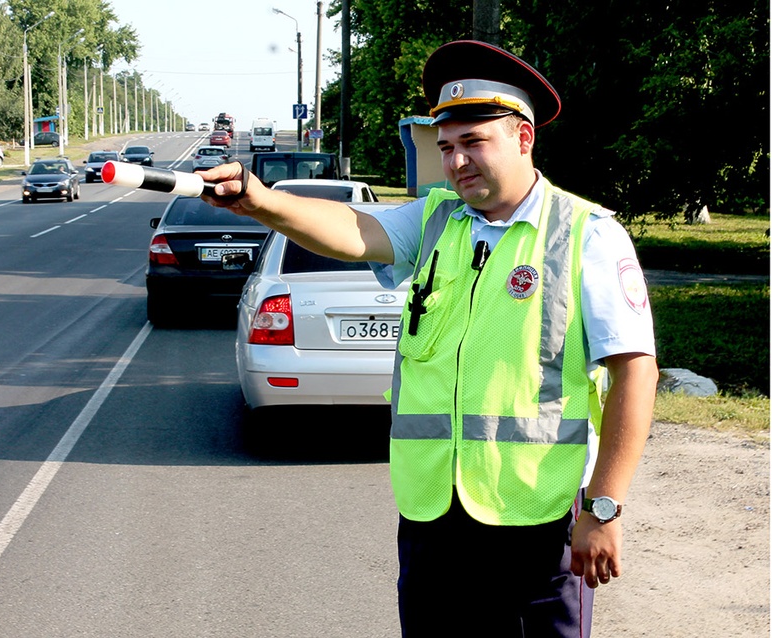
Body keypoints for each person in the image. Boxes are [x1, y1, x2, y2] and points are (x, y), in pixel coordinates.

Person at [199, 40, 658, 637]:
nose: (458, 162)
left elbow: (635, 370)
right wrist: (261, 200)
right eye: (446, 148)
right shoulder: (438, 220)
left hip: (535, 519)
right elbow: (350, 229)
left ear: (524, 139)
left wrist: (603, 506)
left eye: (474, 143)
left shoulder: (586, 235)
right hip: (433, 516)